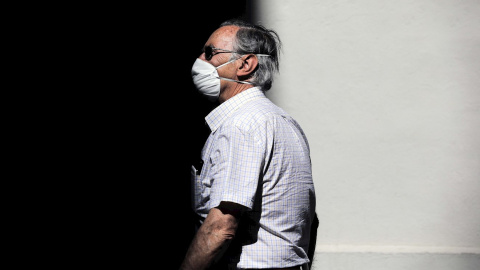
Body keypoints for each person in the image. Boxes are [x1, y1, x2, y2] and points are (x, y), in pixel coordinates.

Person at [180, 19, 317, 270]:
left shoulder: (241, 125)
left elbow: (221, 227)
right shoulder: (283, 121)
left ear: (245, 64)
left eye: (210, 52)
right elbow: (310, 221)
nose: (200, 59)